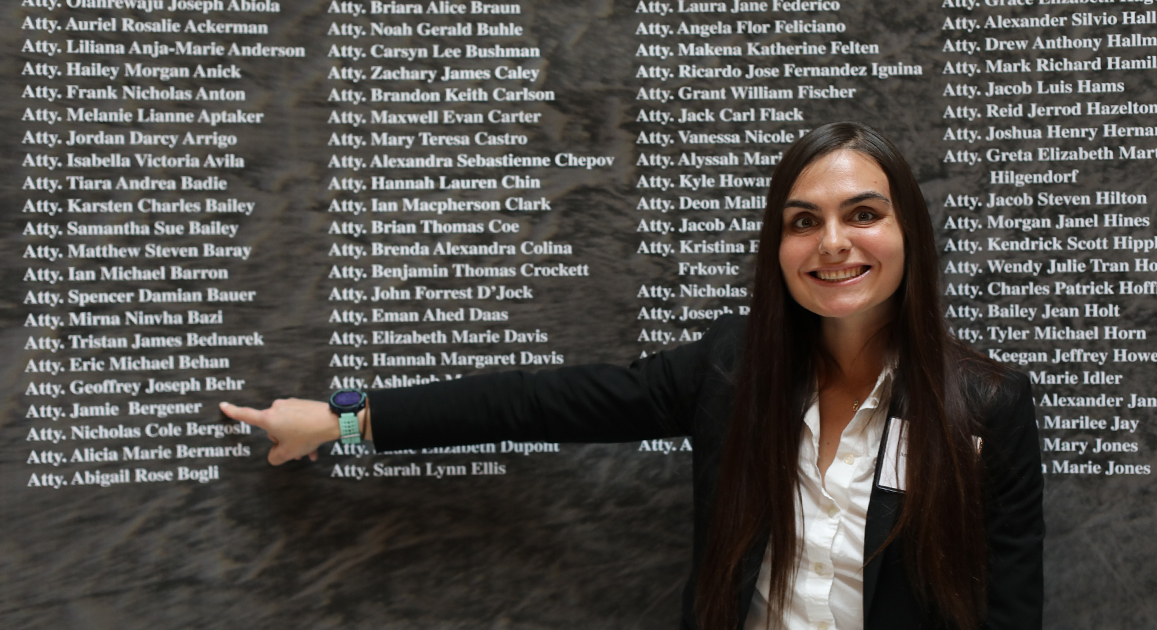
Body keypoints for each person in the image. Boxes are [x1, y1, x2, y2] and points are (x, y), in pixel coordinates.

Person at [221, 121, 1043, 630]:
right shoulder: (728, 369)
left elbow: (1011, 608)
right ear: (778, 250)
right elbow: (538, 401)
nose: (833, 242)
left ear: (909, 234)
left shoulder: (986, 406)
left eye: (863, 213)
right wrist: (343, 419)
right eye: (804, 222)